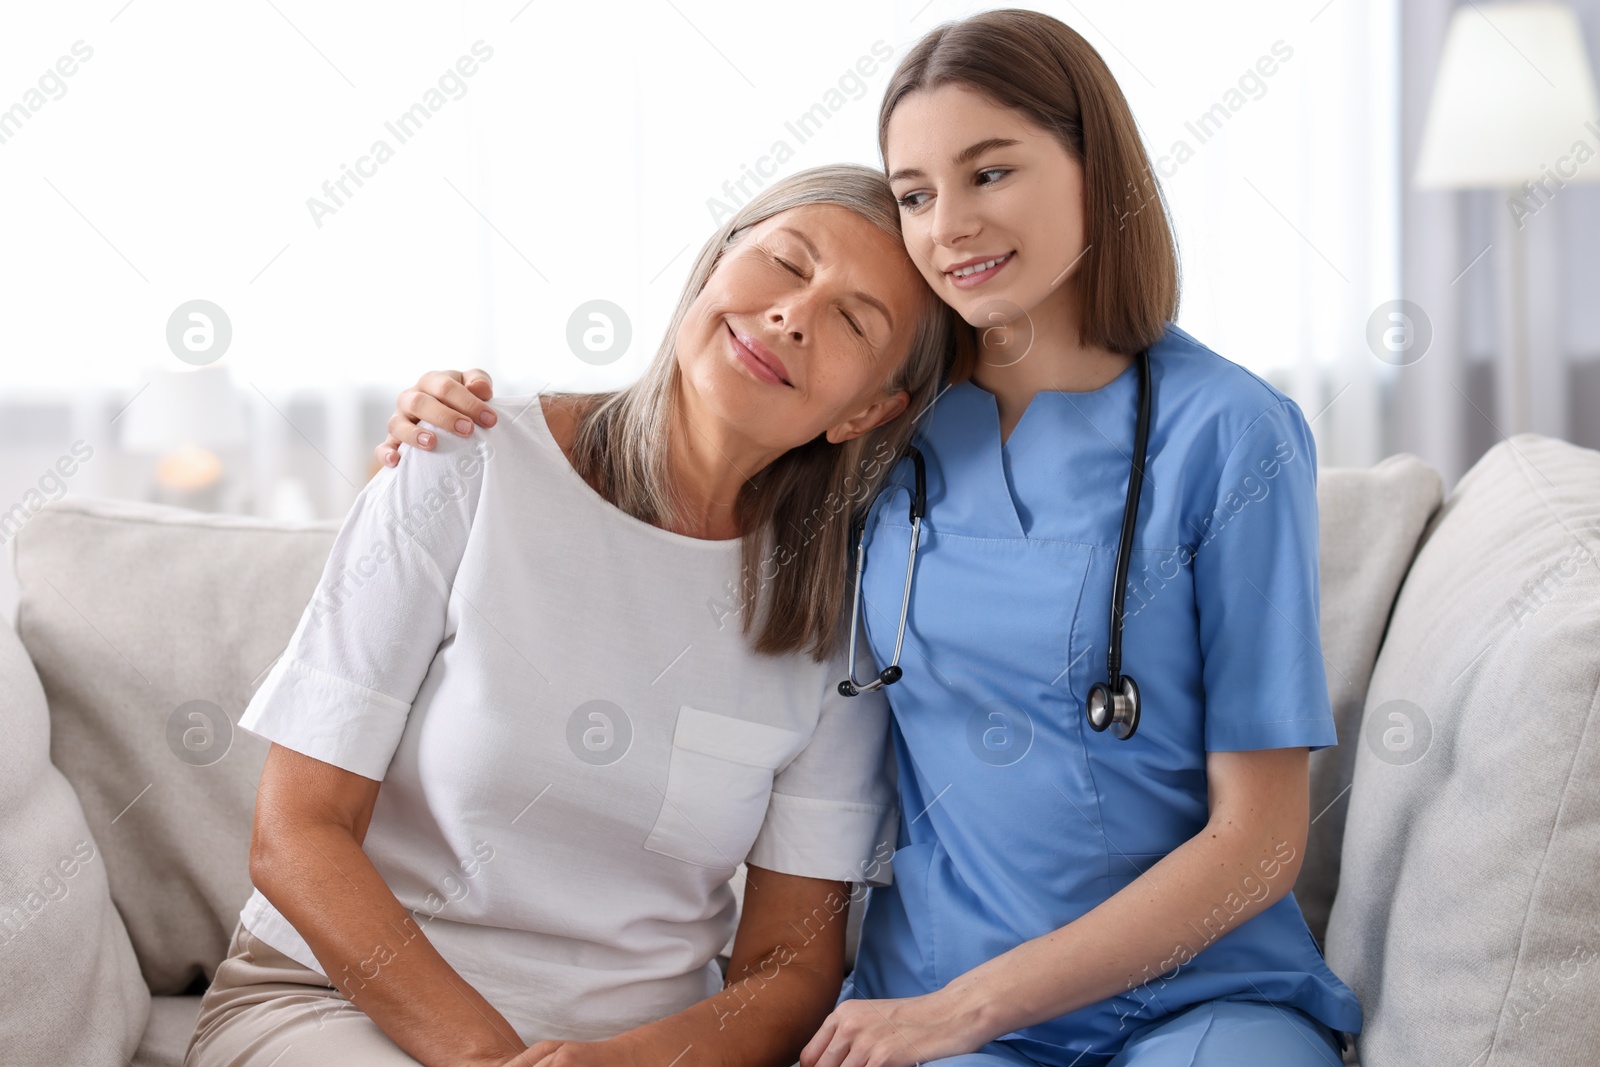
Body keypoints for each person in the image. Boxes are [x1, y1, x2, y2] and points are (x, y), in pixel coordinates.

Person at [379, 10, 1363, 1065]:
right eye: (914, 193)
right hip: (921, 1002)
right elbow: (676, 464)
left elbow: (1259, 842)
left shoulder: (1230, 433)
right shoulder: (881, 417)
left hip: (1193, 999)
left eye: (991, 173)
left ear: (1094, 167)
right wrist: (448, 434)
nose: (949, 225)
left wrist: (973, 1005)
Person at [183, 163, 961, 1067]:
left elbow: (790, 966)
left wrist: (623, 1062)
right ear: (713, 265)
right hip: (333, 1009)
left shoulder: (840, 620)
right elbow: (296, 835)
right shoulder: (464, 462)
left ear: (869, 409)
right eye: (785, 263)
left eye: (853, 320)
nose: (794, 314)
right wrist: (491, 1059)